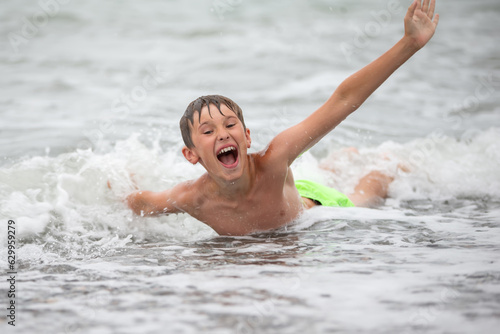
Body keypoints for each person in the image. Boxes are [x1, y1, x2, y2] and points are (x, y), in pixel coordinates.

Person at [125, 0, 439, 235]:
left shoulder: (274, 160)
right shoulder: (192, 198)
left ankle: (386, 167)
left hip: (317, 210)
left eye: (230, 125)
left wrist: (409, 44)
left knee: (366, 194)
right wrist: (116, 190)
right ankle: (339, 161)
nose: (222, 134)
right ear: (190, 154)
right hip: (287, 193)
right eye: (208, 131)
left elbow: (344, 99)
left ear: (247, 137)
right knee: (320, 174)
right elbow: (143, 204)